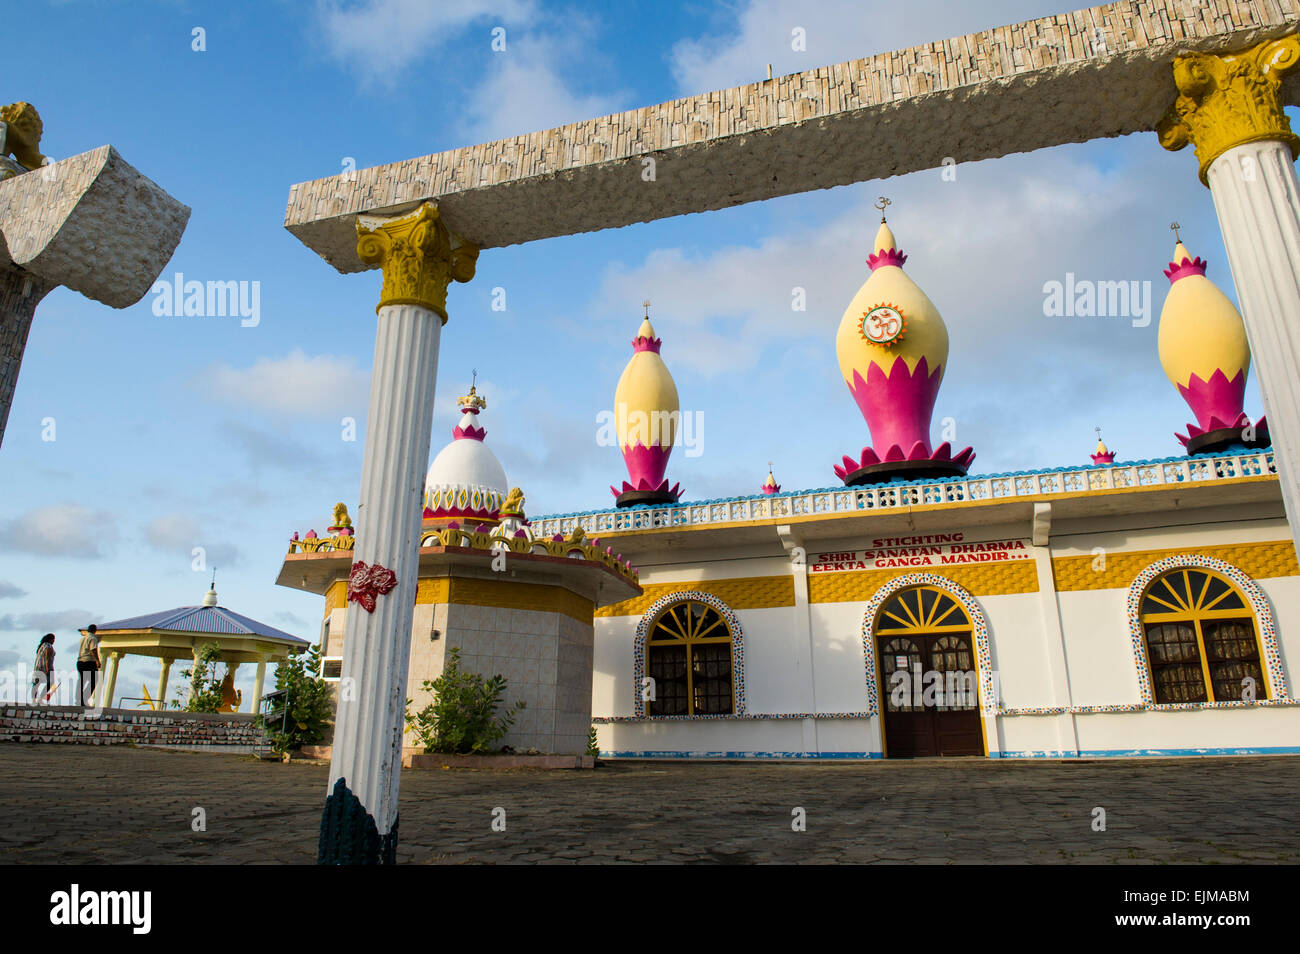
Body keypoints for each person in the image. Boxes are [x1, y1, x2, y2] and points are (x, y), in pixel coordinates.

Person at [78, 624, 100, 707]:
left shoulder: (83, 638)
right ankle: (84, 698)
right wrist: (97, 661)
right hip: (89, 661)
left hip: (80, 661)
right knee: (94, 680)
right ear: (95, 630)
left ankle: (79, 699)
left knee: (82, 681)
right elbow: (93, 650)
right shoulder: (93, 638)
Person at [31, 633, 55, 704]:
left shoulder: (41, 646)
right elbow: (47, 658)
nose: (54, 641)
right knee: (50, 682)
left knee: (36, 684)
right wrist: (47, 669)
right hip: (45, 667)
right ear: (50, 639)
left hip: (37, 667)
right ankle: (40, 699)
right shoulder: (49, 646)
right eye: (53, 639)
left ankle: (33, 700)